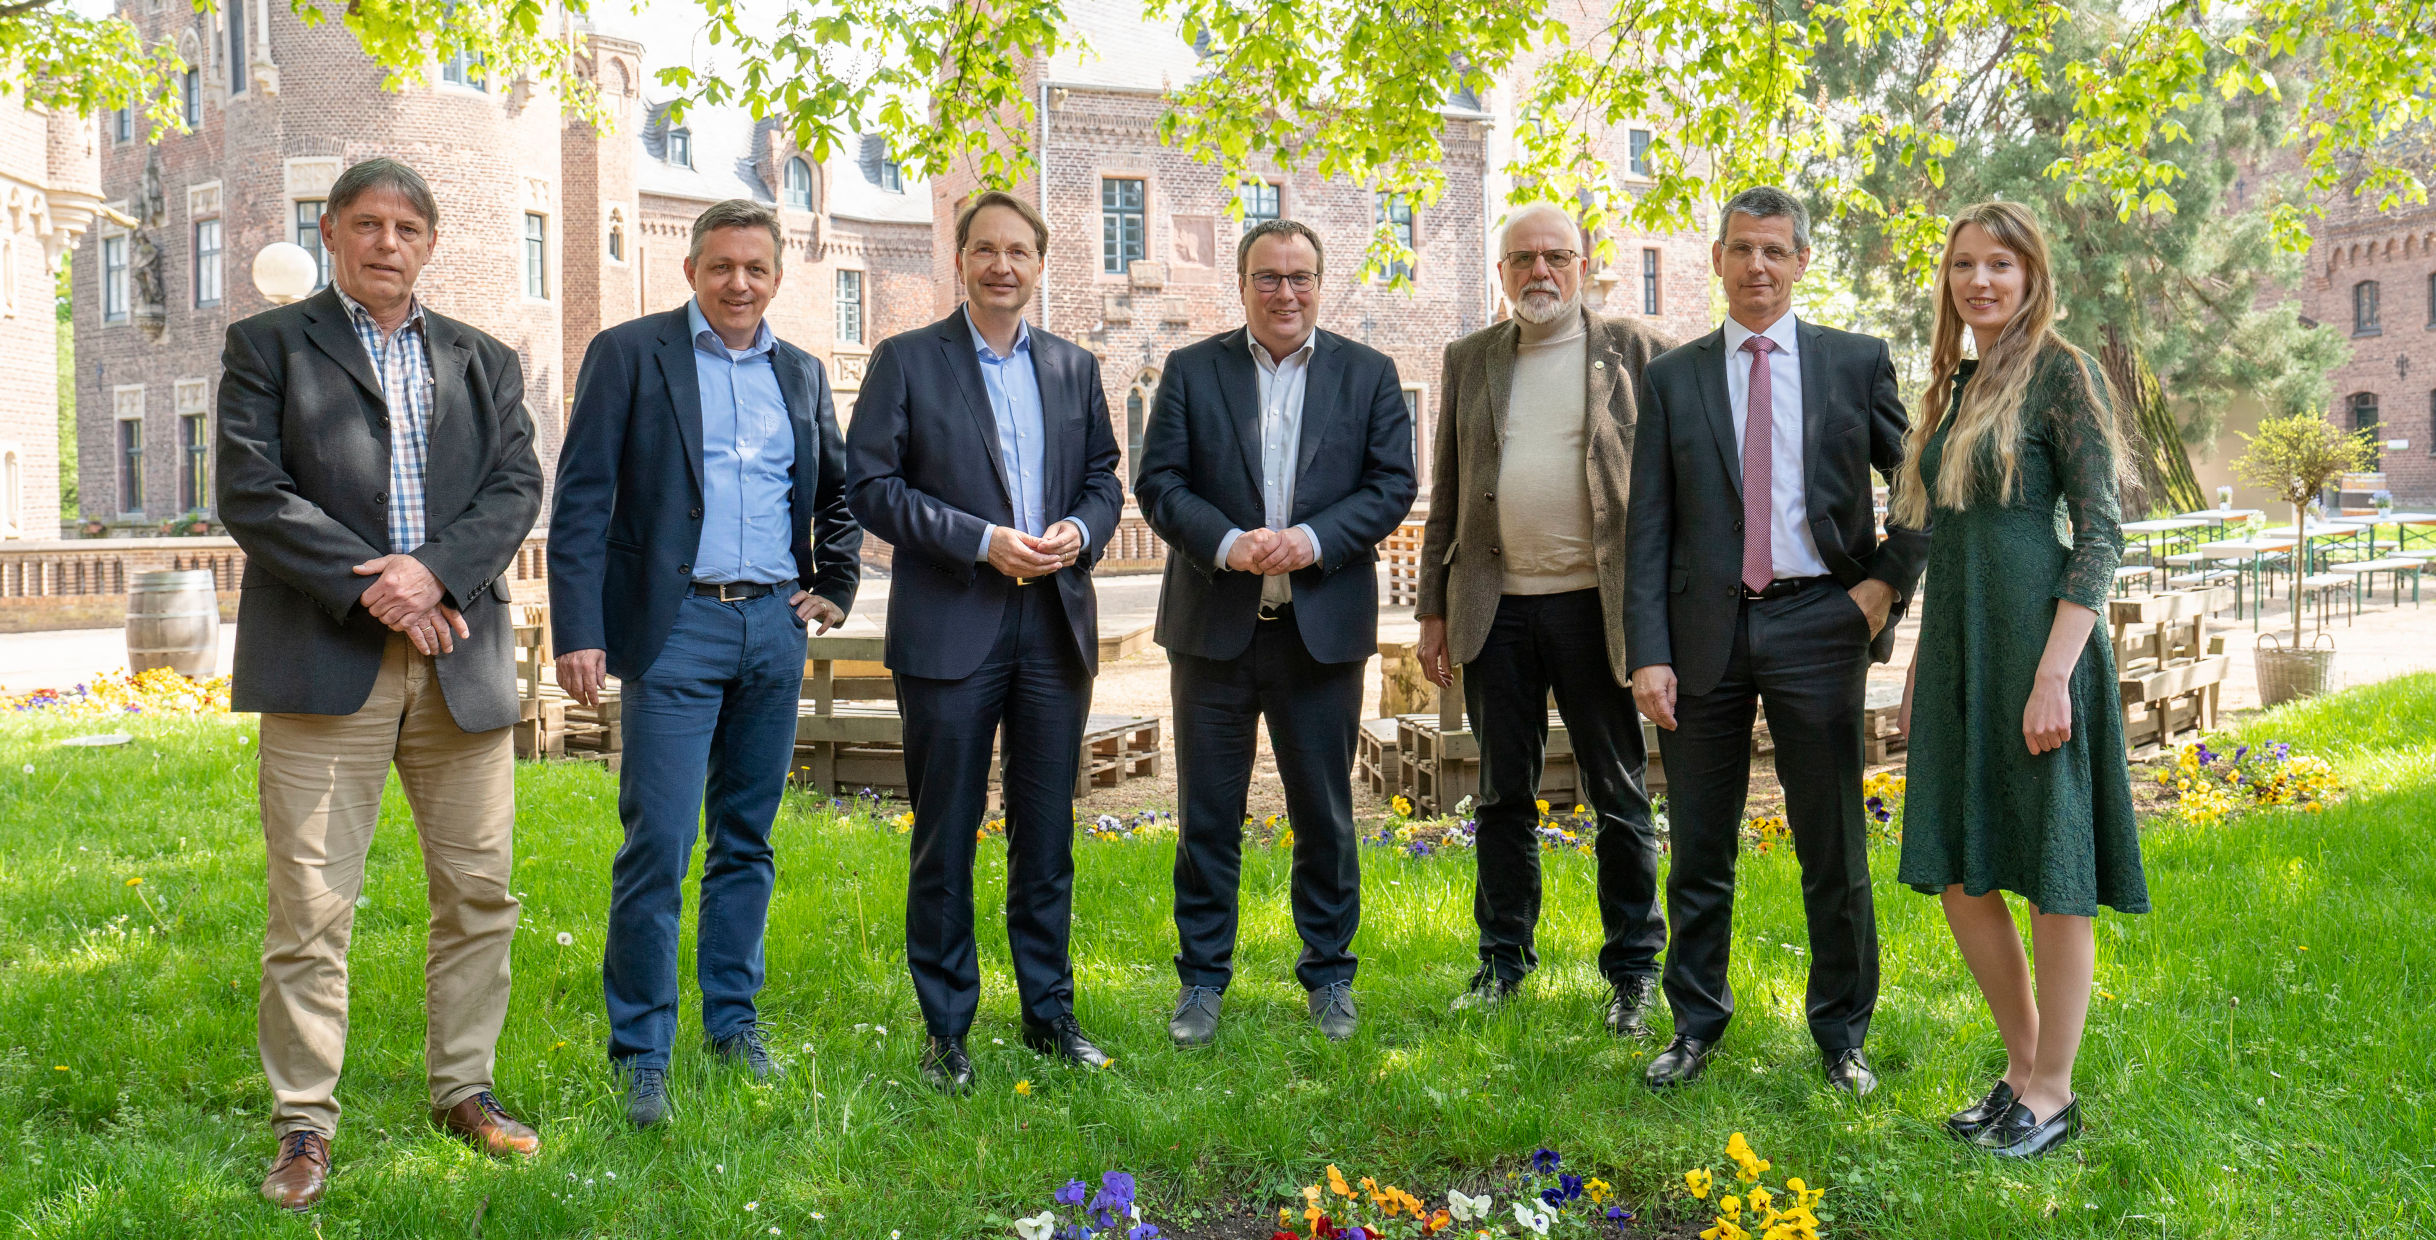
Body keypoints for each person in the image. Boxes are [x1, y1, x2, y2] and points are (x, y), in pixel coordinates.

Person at [216, 156, 545, 1209]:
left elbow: (515, 487)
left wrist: (432, 572)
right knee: (311, 903)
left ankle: (465, 1087)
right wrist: (380, 590)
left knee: (479, 890)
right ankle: (305, 1123)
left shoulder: (482, 360)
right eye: (366, 224)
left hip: (459, 660)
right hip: (324, 659)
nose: (387, 242)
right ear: (332, 233)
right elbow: (252, 492)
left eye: (407, 226)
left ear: (431, 242)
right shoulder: (268, 347)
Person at [550, 198, 863, 1127]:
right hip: (674, 627)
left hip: (772, 627)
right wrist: (579, 627)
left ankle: (733, 1025)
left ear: (777, 278)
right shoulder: (630, 354)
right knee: (658, 844)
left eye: (756, 269)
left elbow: (837, 496)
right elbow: (582, 500)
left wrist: (834, 584)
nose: (738, 283)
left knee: (748, 840)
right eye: (721, 266)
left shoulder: (803, 375)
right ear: (690, 270)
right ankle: (643, 1050)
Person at [1624, 185, 1929, 1095]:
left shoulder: (1854, 362)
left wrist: (1880, 590)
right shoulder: (1673, 377)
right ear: (1717, 259)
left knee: (1831, 841)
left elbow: (1921, 482)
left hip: (1819, 622)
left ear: (1801, 263)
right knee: (1699, 847)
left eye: (1775, 251)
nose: (1757, 265)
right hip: (1700, 633)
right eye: (1741, 249)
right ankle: (1694, 1025)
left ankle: (1842, 1035)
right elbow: (1648, 525)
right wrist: (1648, 650)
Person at [845, 190, 1125, 1093]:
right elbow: (871, 487)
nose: (1003, 266)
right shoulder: (907, 362)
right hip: (950, 628)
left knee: (1047, 834)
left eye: (1019, 252)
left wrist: (1081, 532)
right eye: (985, 250)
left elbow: (1103, 479)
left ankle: (1050, 1014)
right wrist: (979, 539)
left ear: (1040, 266)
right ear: (958, 262)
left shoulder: (1076, 368)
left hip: (1052, 628)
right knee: (946, 833)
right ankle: (947, 1029)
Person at [1894, 201, 2147, 1158]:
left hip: (2042, 651)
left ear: (2032, 274)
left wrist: (2054, 674)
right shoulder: (1953, 386)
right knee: (1963, 873)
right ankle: (2021, 1068)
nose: (1981, 281)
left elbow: (2103, 535)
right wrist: (1924, 658)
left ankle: (2054, 1090)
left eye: (2000, 263)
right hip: (1963, 652)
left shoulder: (2062, 374)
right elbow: (1948, 539)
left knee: (2051, 874)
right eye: (1964, 265)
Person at [1136, 219, 1418, 1046]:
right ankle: (1201, 982)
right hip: (1213, 628)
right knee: (1207, 815)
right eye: (1268, 277)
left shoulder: (1368, 374)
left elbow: (1392, 482)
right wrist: (1228, 544)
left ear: (1321, 285)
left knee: (1325, 813)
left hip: (1318, 629)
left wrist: (1316, 539)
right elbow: (1160, 482)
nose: (1285, 292)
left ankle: (1329, 975)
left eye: (1300, 278)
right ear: (1243, 284)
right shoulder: (1192, 371)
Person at [1415, 202, 1674, 1030]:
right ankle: (1502, 963)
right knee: (1501, 800)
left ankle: (1634, 975)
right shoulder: (1471, 358)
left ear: (1584, 263)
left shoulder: (1637, 352)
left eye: (1556, 256)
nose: (1539, 272)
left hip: (1600, 614)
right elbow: (1447, 491)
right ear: (1500, 274)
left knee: (1621, 797)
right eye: (1522, 258)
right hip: (1497, 613)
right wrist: (1431, 610)